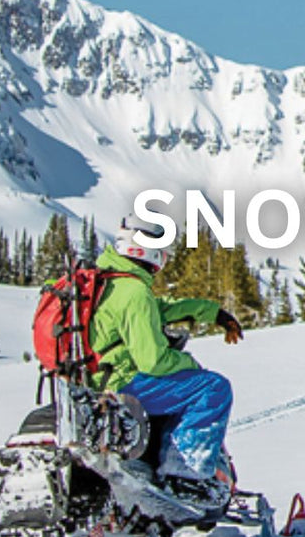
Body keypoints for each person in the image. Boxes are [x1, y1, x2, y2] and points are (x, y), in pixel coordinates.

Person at [89, 215, 244, 503]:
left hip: (96, 380)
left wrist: (212, 313)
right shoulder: (133, 292)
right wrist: (189, 364)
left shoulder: (108, 281)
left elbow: (160, 308)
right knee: (213, 388)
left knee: (192, 384)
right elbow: (153, 361)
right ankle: (185, 472)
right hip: (124, 383)